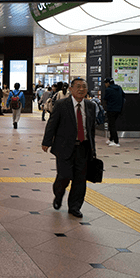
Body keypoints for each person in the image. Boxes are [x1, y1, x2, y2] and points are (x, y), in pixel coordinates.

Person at [42, 78, 96, 218]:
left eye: (84, 87)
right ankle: (58, 195)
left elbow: (91, 130)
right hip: (64, 147)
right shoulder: (61, 104)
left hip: (83, 148)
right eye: (78, 87)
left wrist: (93, 150)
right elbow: (52, 124)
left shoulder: (90, 106)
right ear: (71, 89)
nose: (81, 89)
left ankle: (75, 207)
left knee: (80, 180)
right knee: (64, 176)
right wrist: (47, 141)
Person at [103, 77, 125, 147]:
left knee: (112, 125)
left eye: (105, 83)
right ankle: (111, 139)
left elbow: (105, 98)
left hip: (111, 109)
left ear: (108, 83)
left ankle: (116, 141)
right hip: (118, 109)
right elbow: (124, 96)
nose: (105, 85)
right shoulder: (119, 88)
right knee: (112, 124)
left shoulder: (108, 90)